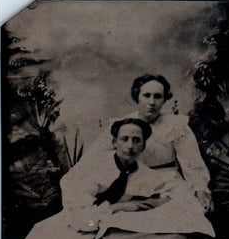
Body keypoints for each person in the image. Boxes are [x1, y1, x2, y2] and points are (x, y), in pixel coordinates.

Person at [7, 118, 229, 239]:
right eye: (124, 139)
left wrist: (130, 207)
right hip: (84, 216)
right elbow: (75, 195)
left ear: (143, 146)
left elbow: (171, 191)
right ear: (115, 141)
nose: (129, 145)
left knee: (157, 233)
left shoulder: (146, 173)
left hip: (111, 217)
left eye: (136, 140)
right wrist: (96, 216)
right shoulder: (97, 165)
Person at [66, 74, 213, 212]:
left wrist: (200, 190)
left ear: (164, 99)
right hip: (133, 182)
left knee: (189, 210)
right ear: (137, 97)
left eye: (157, 97)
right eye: (146, 96)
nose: (152, 102)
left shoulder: (176, 126)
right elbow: (93, 157)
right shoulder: (124, 125)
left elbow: (192, 164)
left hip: (168, 182)